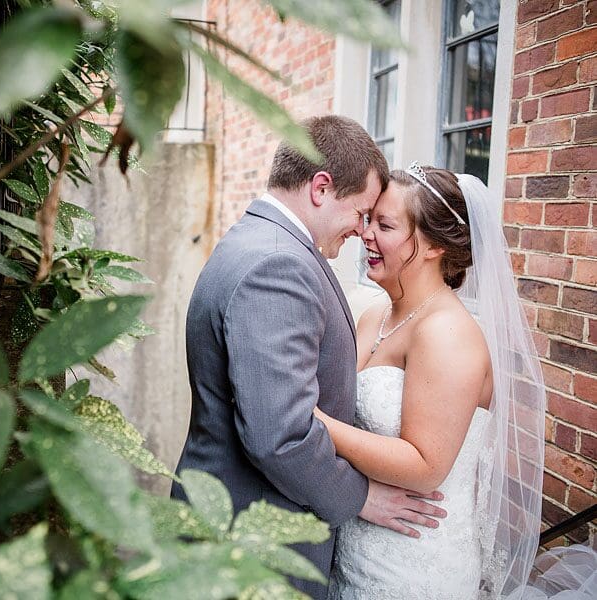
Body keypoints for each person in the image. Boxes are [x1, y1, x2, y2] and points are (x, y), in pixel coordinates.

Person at [171, 117, 446, 599]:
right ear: (321, 187)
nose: (362, 232)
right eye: (362, 213)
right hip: (252, 550)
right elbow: (280, 434)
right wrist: (360, 497)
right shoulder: (278, 265)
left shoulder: (256, 241)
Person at [316, 164, 548, 599]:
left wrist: (312, 421)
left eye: (385, 225)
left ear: (434, 246)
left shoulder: (449, 334)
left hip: (412, 565)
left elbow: (425, 467)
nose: (366, 234)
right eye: (369, 220)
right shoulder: (373, 316)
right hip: (355, 544)